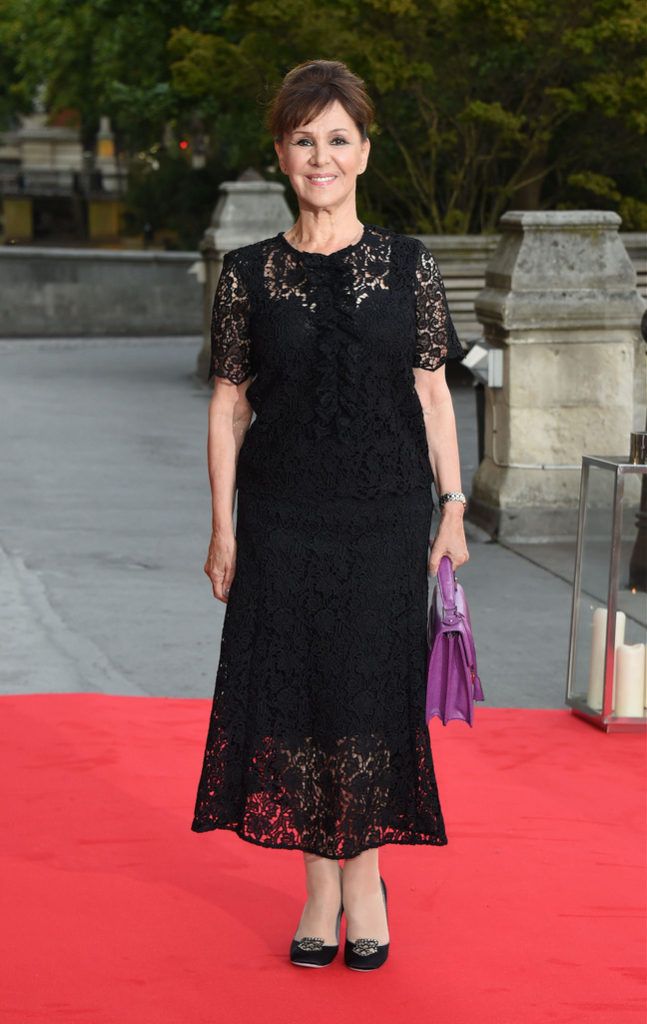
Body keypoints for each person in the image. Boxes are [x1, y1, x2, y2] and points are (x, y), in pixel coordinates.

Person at [191, 58, 469, 972]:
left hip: (387, 517)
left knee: (370, 695)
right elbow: (229, 404)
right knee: (297, 695)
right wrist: (224, 525)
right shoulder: (247, 275)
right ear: (281, 151)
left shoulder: (409, 265)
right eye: (304, 139)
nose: (322, 155)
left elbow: (431, 394)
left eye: (337, 138)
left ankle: (364, 880)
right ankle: (318, 885)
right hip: (281, 517)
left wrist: (453, 508)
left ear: (363, 149)